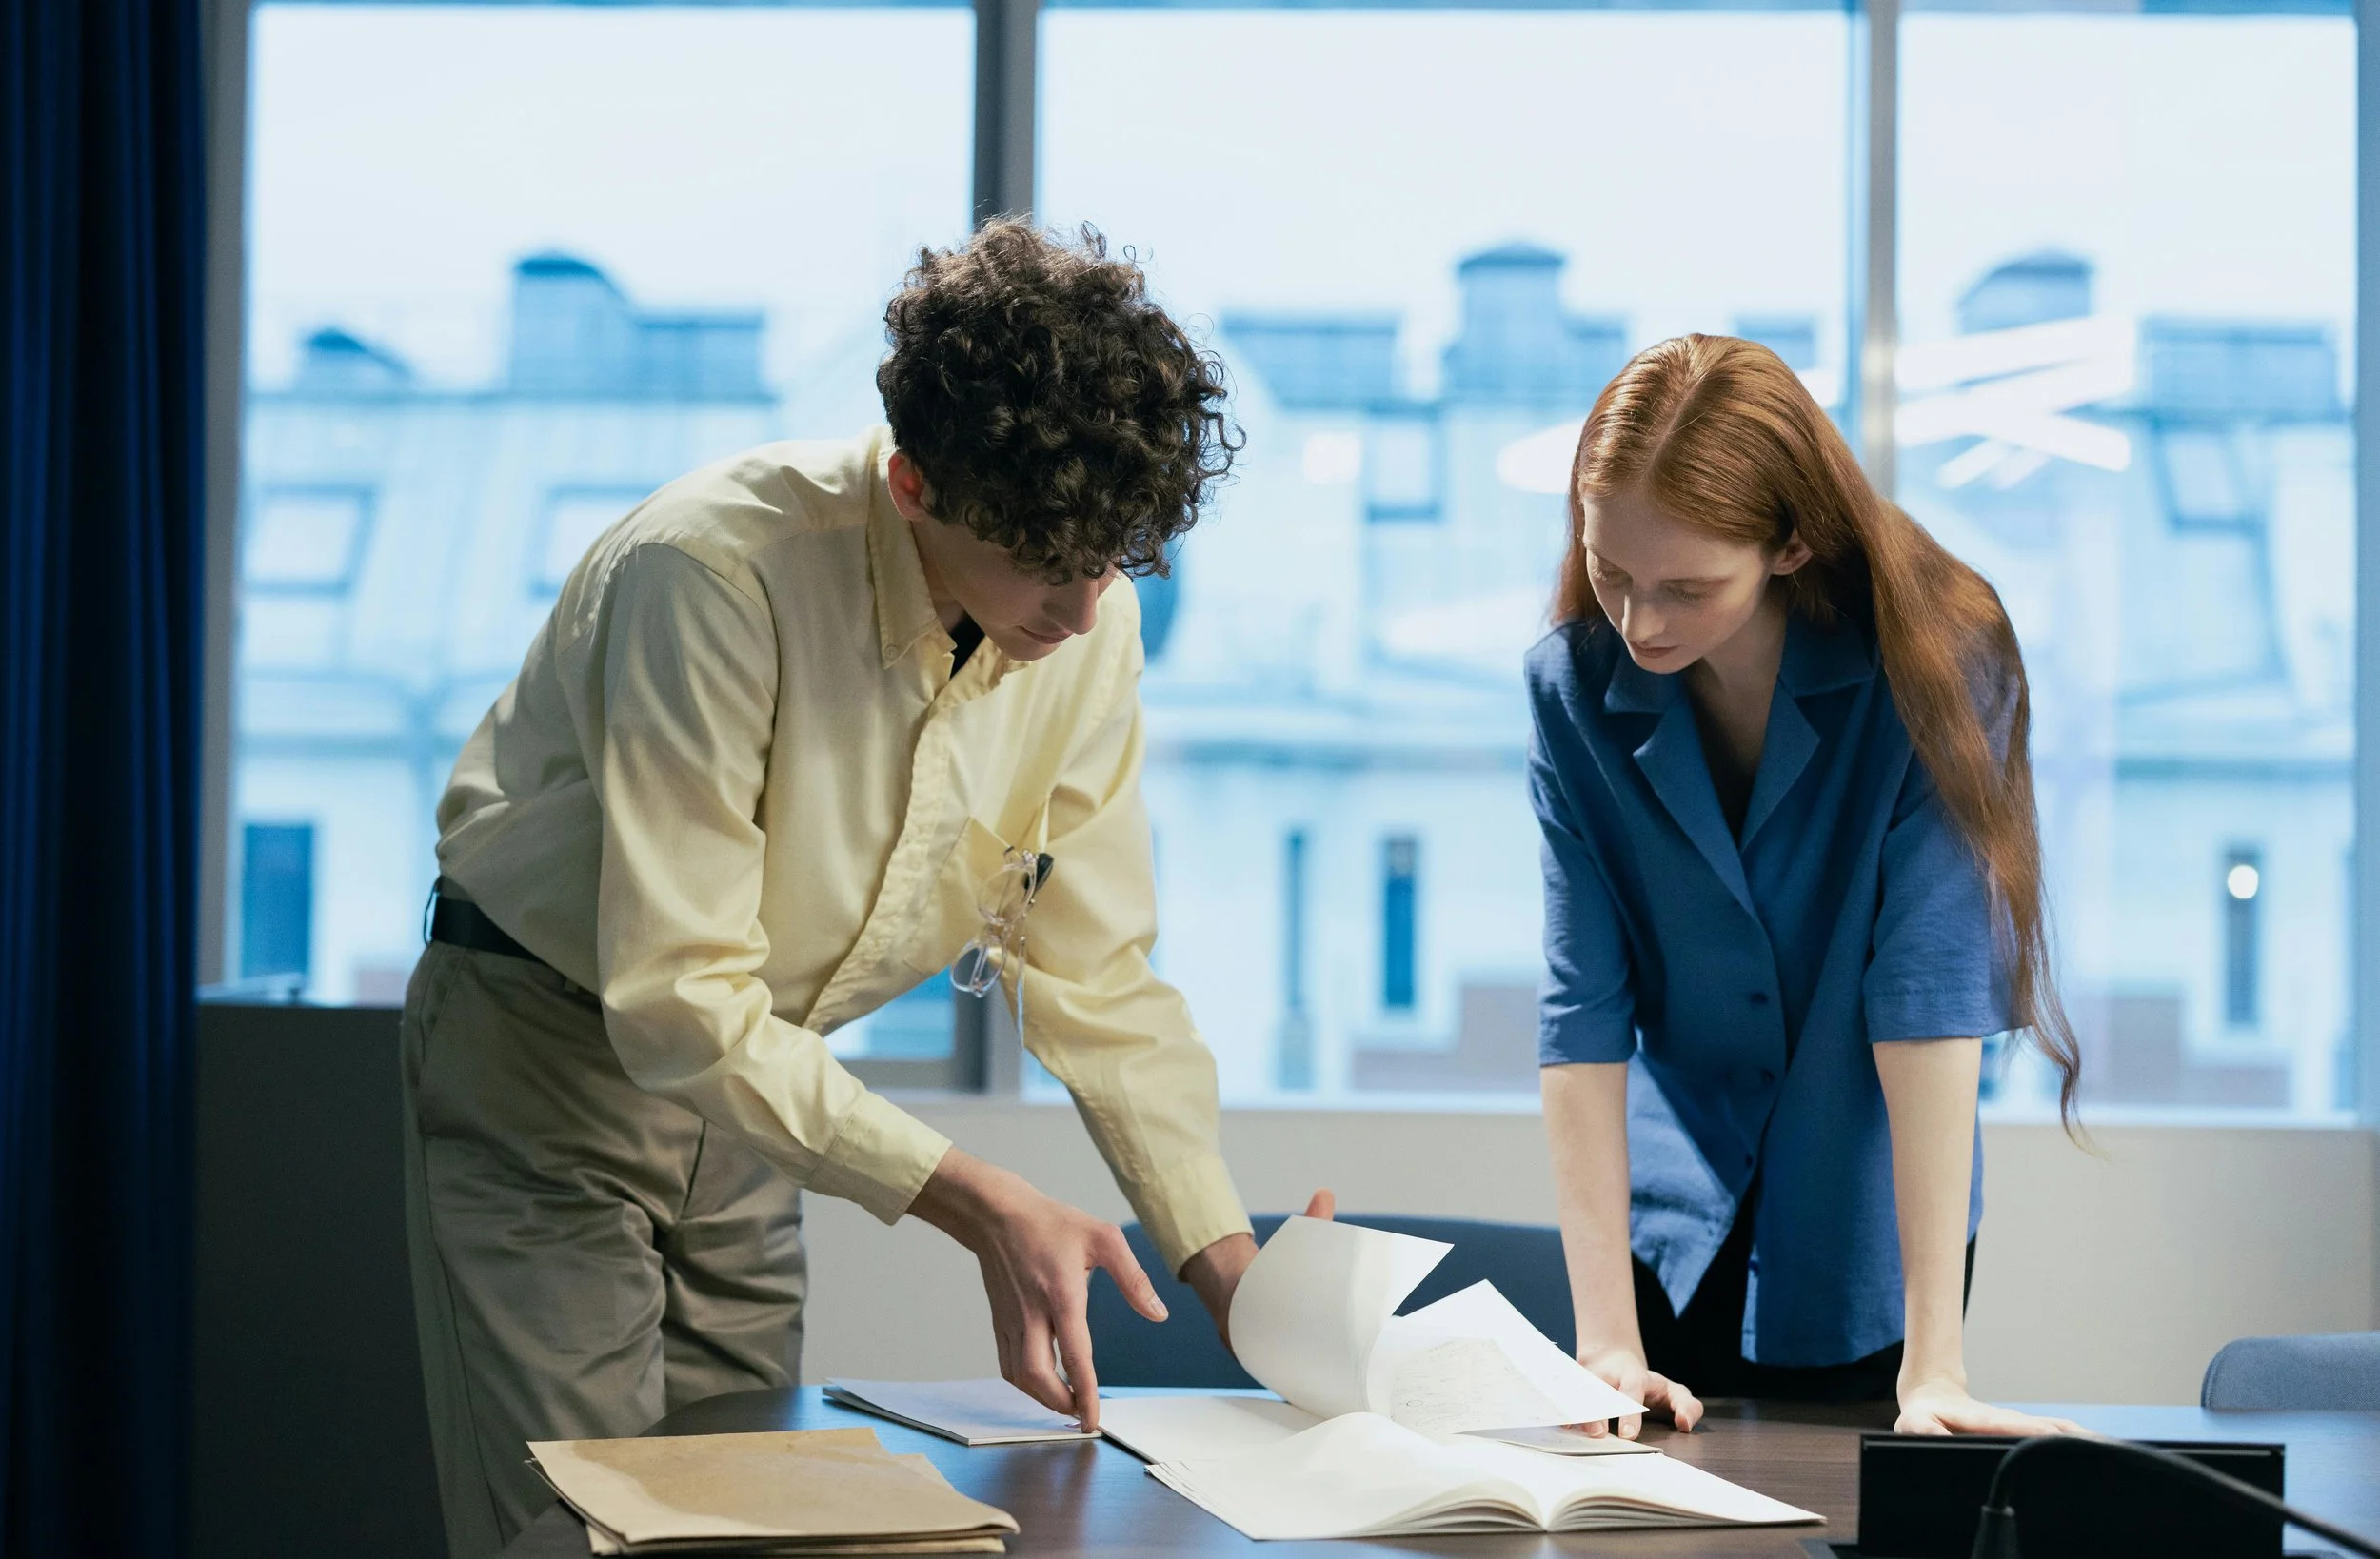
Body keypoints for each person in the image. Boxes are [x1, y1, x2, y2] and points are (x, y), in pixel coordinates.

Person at [402, 220, 1324, 1559]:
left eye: (1109, 555)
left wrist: (1226, 1264)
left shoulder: (1088, 617)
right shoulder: (711, 575)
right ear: (911, 483)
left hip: (764, 1093)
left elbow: (1097, 974)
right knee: (582, 1527)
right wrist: (977, 1198)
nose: (1080, 612)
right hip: (551, 1055)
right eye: (1042, 559)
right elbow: (680, 1003)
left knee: (754, 1524)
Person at [1526, 334, 2084, 1439]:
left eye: (1687, 588)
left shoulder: (1938, 656)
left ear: (1789, 543)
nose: (1639, 624)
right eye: (1611, 572)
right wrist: (1603, 1345)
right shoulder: (1572, 689)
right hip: (1670, 1222)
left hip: (1868, 1221)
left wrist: (1936, 1370)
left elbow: (1926, 993)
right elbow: (1580, 1011)